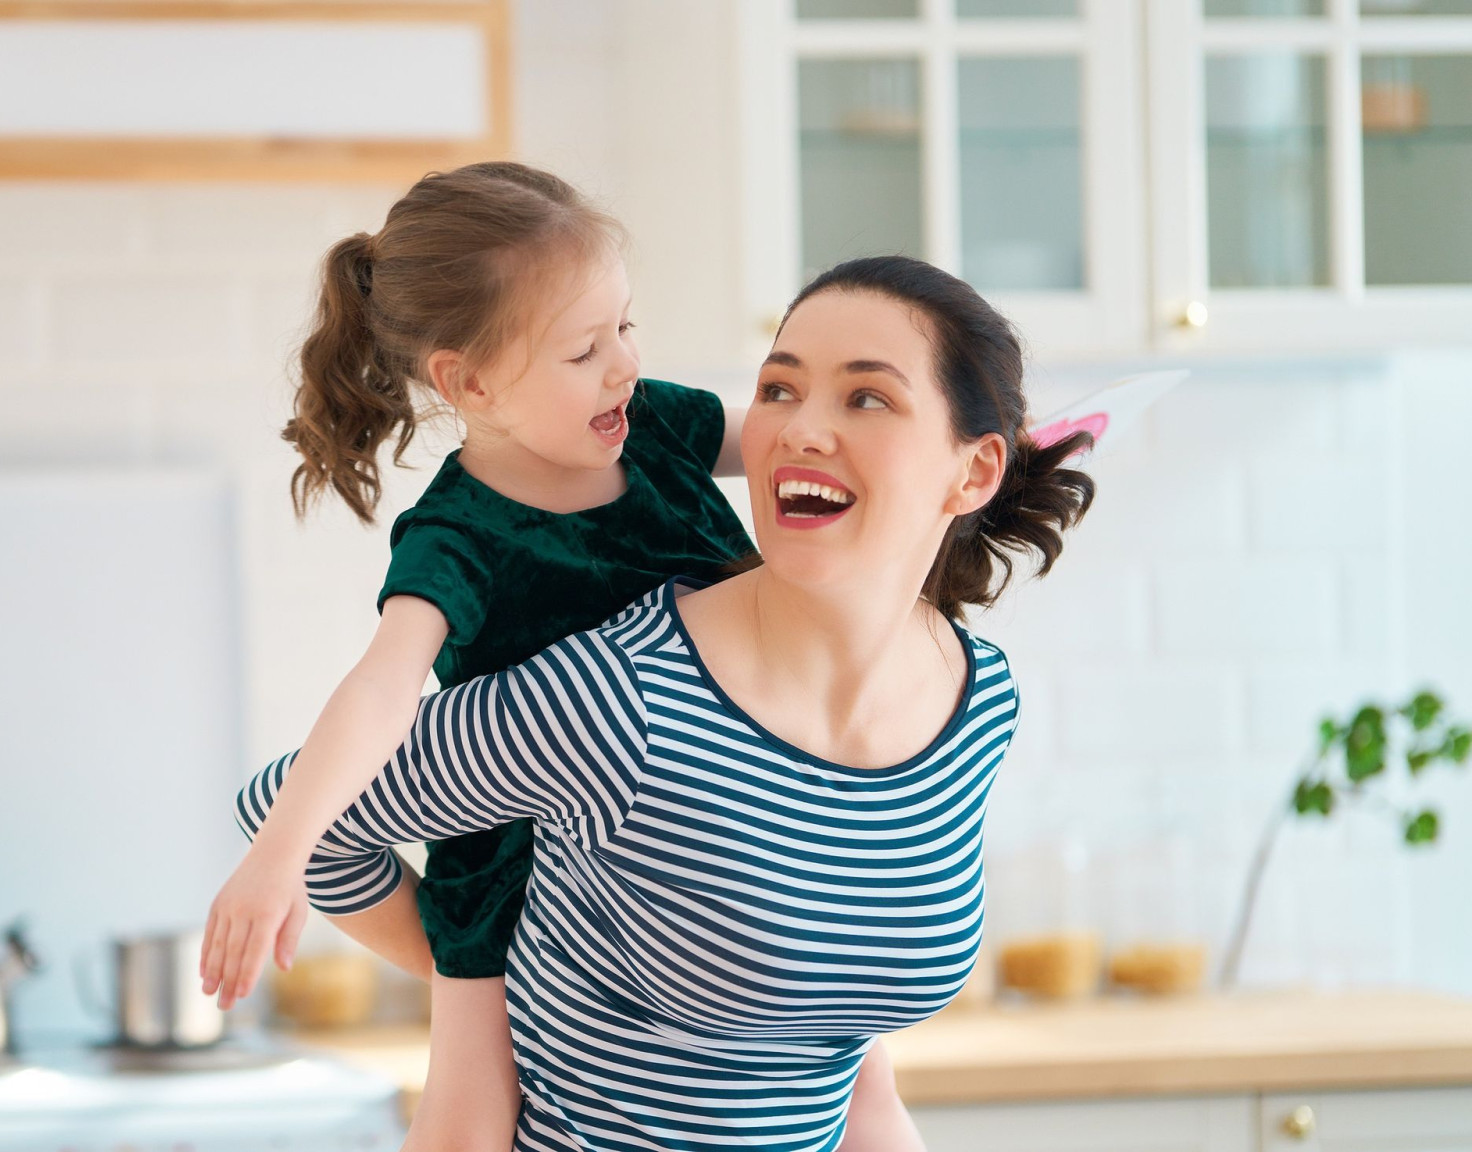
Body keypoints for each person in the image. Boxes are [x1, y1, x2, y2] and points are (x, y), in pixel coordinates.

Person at [236, 255, 1096, 1150]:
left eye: (867, 398)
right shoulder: (616, 700)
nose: (802, 429)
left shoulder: (975, 698)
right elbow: (297, 817)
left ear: (975, 471)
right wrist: (476, 966)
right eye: (778, 390)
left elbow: (857, 1084)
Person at [199, 160, 758, 1150]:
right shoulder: (456, 534)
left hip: (720, 855)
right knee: (466, 1116)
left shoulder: (661, 428)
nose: (624, 366)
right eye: (584, 349)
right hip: (516, 887)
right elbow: (382, 687)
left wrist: (964, 447)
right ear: (469, 381)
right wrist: (277, 859)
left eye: (626, 327)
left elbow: (805, 451)